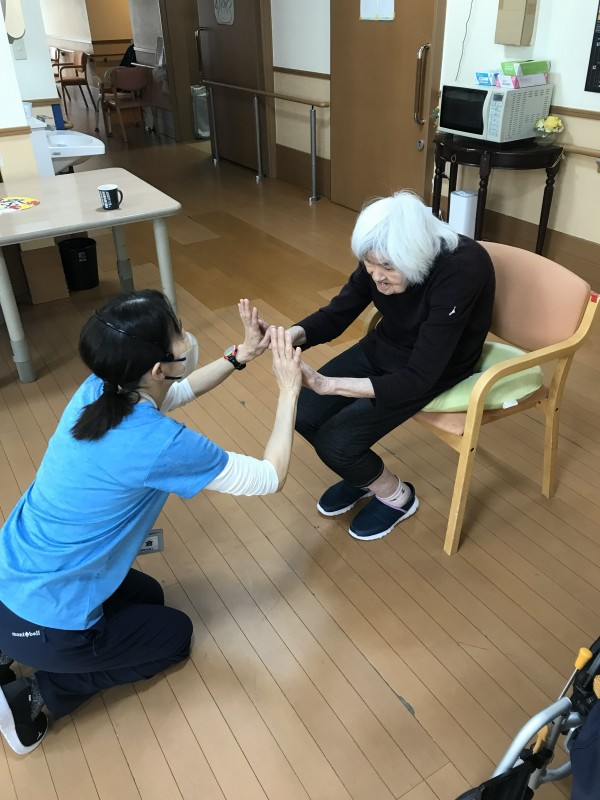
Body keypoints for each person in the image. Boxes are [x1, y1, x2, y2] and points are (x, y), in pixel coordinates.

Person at [0, 289, 301, 755]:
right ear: (158, 367)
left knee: (149, 597)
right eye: (177, 332)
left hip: (11, 575)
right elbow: (270, 477)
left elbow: (174, 392)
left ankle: (10, 647)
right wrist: (289, 390)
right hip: (46, 618)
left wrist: (239, 355)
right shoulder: (161, 444)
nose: (186, 337)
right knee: (174, 636)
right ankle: (32, 696)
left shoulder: (98, 389)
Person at [266, 190, 495, 541]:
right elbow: (337, 313)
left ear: (417, 256)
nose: (377, 276)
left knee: (337, 443)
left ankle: (397, 497)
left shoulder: (462, 268)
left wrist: (329, 384)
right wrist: (285, 337)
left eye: (387, 268)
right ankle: (365, 477)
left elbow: (419, 376)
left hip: (436, 365)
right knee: (303, 411)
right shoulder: (381, 250)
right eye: (369, 265)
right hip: (386, 346)